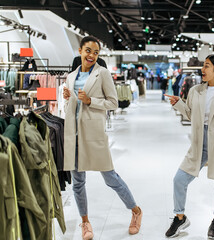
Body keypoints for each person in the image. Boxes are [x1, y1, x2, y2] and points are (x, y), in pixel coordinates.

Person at [63, 36, 142, 240]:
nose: (91, 55)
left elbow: (113, 103)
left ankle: (135, 211)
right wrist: (67, 99)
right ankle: (85, 222)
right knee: (78, 183)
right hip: (74, 134)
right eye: (88, 50)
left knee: (111, 178)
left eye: (96, 52)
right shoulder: (70, 76)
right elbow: (72, 106)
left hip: (94, 133)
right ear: (80, 50)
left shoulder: (103, 73)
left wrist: (91, 101)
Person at [164, 54, 214, 239]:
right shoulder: (196, 90)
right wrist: (179, 104)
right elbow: (191, 115)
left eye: (207, 66)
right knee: (179, 180)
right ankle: (180, 216)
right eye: (203, 66)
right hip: (199, 143)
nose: (202, 70)